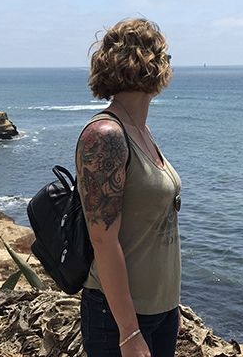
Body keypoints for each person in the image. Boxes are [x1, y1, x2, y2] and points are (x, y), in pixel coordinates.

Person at [75, 18, 182, 357]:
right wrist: (128, 331)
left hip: (160, 311)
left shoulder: (140, 131)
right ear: (156, 65)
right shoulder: (106, 135)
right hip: (119, 317)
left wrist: (170, 308)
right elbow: (102, 239)